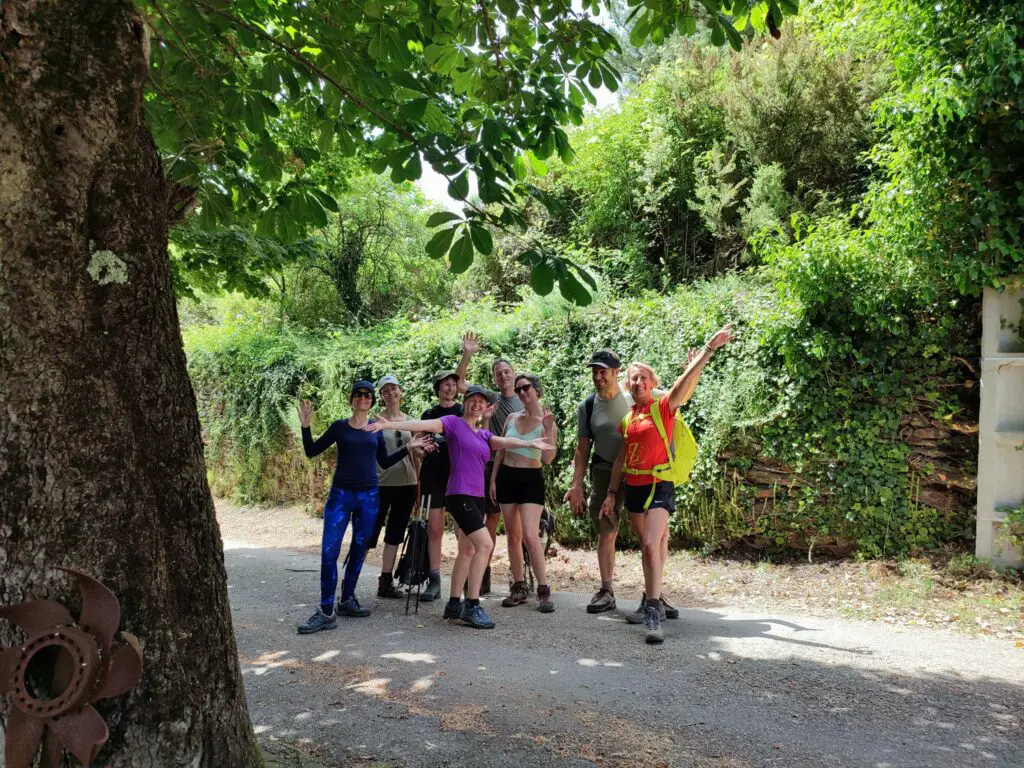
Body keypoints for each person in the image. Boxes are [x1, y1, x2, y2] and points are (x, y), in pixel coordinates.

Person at [362, 385, 552, 629]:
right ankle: (472, 605)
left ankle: (453, 604)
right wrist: (389, 425)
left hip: (477, 497)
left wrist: (532, 444)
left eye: (481, 402)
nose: (476, 405)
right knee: (485, 544)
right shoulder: (452, 423)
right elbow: (422, 425)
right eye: (472, 400)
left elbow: (504, 441)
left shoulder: (483, 435)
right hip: (458, 494)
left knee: (467, 550)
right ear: (465, 403)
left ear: (486, 409)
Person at [600, 324, 733, 644]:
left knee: (649, 542)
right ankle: (651, 596)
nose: (638, 381)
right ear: (627, 385)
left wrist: (707, 350)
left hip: (660, 484)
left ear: (653, 383)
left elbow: (684, 385)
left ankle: (653, 611)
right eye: (633, 378)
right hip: (634, 486)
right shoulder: (628, 419)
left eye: (644, 377)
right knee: (653, 547)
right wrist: (611, 494)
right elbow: (620, 459)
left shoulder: (663, 408)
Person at [296, 380, 430, 634]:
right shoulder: (339, 427)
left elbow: (384, 460)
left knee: (359, 549)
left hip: (369, 496)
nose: (362, 398)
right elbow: (312, 450)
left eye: (367, 395)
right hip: (341, 495)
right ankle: (326, 610)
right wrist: (305, 427)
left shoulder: (375, 430)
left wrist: (408, 448)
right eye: (358, 394)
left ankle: (347, 599)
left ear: (371, 401)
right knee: (329, 552)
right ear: (351, 399)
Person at [564, 349, 682, 620]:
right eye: (594, 371)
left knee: (651, 538)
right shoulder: (588, 406)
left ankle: (654, 595)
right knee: (606, 531)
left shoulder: (635, 396)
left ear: (617, 373)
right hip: (606, 471)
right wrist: (577, 483)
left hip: (642, 472)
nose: (598, 376)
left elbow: (672, 400)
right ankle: (606, 591)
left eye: (603, 371)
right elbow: (582, 449)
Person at [455, 331, 522, 594]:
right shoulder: (491, 399)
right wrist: (468, 353)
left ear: (514, 374)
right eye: (498, 373)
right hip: (486, 465)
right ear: (494, 378)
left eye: (507, 372)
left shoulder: (525, 396)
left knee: (506, 524)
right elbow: (460, 384)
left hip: (516, 467)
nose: (503, 376)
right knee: (482, 521)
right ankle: (481, 574)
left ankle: (514, 577)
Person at [490, 374, 558, 612]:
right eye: (518, 389)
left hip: (531, 479)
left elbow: (548, 458)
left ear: (537, 390)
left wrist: (548, 430)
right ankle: (518, 586)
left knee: (530, 535)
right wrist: (493, 480)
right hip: (507, 477)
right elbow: (499, 449)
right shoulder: (511, 417)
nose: (522, 392)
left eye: (526, 387)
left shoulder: (546, 421)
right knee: (512, 535)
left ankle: (543, 590)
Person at [370, 375, 422, 599]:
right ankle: (349, 580)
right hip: (381, 484)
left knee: (395, 534)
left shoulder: (411, 421)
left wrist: (419, 485)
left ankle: (385, 581)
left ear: (401, 392)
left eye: (394, 389)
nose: (390, 393)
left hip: (407, 484)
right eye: (385, 390)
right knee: (368, 533)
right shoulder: (374, 421)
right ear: (381, 396)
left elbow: (417, 456)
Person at [417, 369, 463, 602]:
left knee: (462, 529)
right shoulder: (429, 414)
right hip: (433, 478)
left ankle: (464, 579)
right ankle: (434, 580)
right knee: (434, 530)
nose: (450, 387)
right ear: (437, 389)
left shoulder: (464, 412)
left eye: (453, 384)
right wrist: (422, 449)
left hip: (458, 477)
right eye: (445, 384)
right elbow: (417, 444)